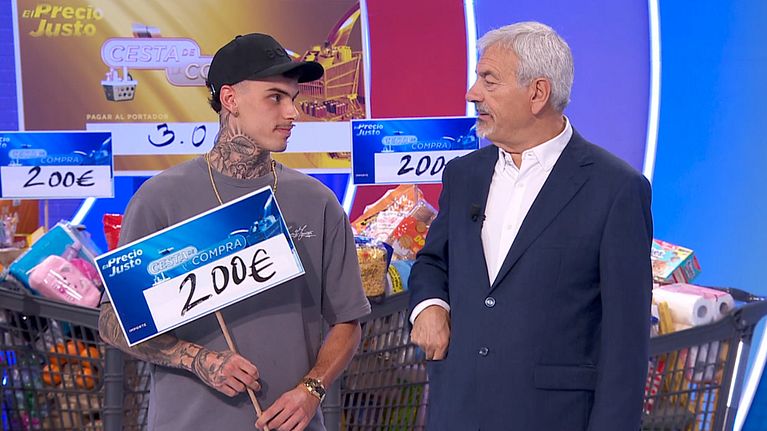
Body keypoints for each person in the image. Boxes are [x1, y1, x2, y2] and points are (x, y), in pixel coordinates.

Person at [98, 33, 371, 431]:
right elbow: (113, 321)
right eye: (275, 97)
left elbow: (348, 322)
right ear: (230, 99)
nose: (292, 112)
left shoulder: (318, 202)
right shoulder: (160, 199)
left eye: (293, 98)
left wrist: (312, 389)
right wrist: (198, 359)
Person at [408, 22, 652, 430]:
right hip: (458, 412)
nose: (472, 93)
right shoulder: (464, 175)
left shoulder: (615, 189)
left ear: (537, 93)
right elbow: (433, 261)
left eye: (489, 80)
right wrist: (430, 305)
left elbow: (626, 342)